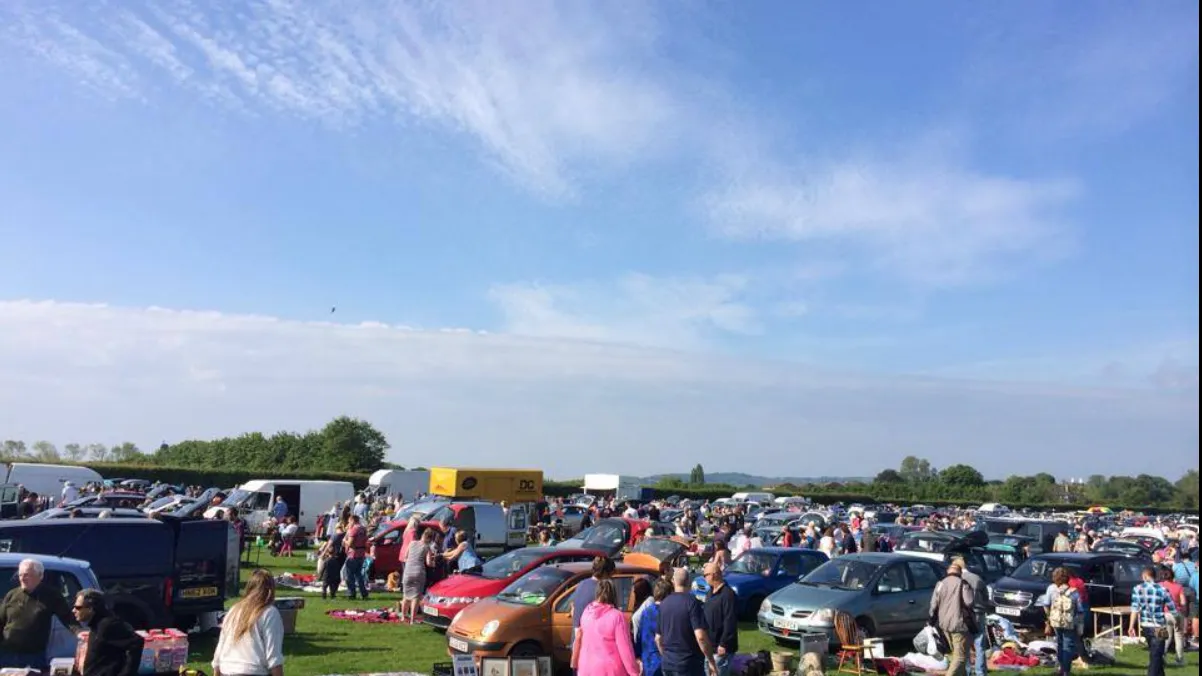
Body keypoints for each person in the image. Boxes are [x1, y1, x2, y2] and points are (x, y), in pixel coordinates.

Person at [0, 558, 82, 670]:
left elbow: (67, 617)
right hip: (7, 654)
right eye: (20, 575)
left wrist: (79, 632)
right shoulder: (12, 594)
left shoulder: (51, 595)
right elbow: (1, 621)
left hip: (33, 656)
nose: (23, 578)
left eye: (27, 575)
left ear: (40, 576)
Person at [211, 569, 284, 676]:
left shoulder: (234, 610)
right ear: (270, 591)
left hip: (226, 670)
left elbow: (218, 654)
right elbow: (274, 657)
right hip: (253, 671)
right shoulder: (270, 613)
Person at [656, 567, 717, 676]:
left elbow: (658, 638)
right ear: (689, 582)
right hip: (689, 664)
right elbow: (701, 637)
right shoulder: (692, 603)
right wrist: (711, 661)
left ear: (673, 581)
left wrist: (665, 656)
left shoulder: (663, 604)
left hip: (668, 664)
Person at [574, 579, 640, 676]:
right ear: (614, 595)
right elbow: (625, 649)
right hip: (610, 670)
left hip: (585, 668)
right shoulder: (617, 617)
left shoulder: (586, 613)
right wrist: (634, 672)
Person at [73, 589, 143, 676]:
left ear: (90, 608)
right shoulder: (96, 625)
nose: (74, 610)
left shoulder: (107, 625)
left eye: (78, 607)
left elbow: (136, 642)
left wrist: (126, 673)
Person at [1129, 565, 1176, 676]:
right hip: (1159, 625)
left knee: (1155, 654)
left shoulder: (1137, 589)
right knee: (1156, 656)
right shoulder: (1163, 589)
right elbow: (1173, 608)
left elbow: (1135, 609)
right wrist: (1178, 621)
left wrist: (1131, 626)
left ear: (1145, 576)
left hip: (1145, 626)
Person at [929, 564, 975, 676]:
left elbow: (933, 605)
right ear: (960, 573)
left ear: (948, 572)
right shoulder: (963, 584)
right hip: (959, 624)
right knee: (960, 657)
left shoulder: (940, 584)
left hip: (944, 624)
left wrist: (931, 621)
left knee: (956, 653)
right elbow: (969, 602)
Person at [950, 557, 988, 676]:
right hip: (978, 613)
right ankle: (980, 672)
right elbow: (986, 596)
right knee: (980, 645)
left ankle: (966, 671)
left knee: (964, 645)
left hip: (964, 615)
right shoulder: (977, 578)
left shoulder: (957, 579)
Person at [573, 557, 617, 655]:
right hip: (592, 647)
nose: (612, 578)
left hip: (577, 644)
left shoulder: (581, 584)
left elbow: (573, 608)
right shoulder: (603, 590)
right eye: (612, 574)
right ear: (605, 572)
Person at [701, 563, 738, 676]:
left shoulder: (728, 595)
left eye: (705, 575)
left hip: (721, 648)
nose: (704, 578)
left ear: (714, 575)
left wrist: (723, 644)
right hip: (710, 646)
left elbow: (730, 621)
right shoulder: (710, 593)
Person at [1045, 567, 1082, 676]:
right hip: (1069, 622)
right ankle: (1066, 672)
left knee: (1060, 645)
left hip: (1055, 621)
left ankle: (1061, 669)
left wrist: (1049, 618)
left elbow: (1046, 605)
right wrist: (1080, 625)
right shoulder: (1074, 592)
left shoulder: (1051, 589)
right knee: (1068, 646)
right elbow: (1079, 609)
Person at [634, 578, 672, 676]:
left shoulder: (645, 612)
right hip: (663, 660)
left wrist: (638, 656)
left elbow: (639, 636)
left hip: (648, 660)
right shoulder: (668, 612)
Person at [401, 528, 437, 624]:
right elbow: (429, 563)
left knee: (406, 596)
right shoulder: (427, 547)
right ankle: (413, 619)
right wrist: (434, 563)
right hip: (419, 572)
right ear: (430, 539)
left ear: (422, 535)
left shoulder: (412, 543)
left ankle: (403, 616)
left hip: (408, 571)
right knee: (416, 597)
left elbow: (405, 557)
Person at [343, 514, 370, 601]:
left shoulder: (354, 529)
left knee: (349, 575)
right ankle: (364, 593)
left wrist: (345, 541)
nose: (348, 523)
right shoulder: (363, 529)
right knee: (359, 575)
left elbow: (350, 543)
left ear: (353, 520)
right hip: (361, 554)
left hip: (353, 554)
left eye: (349, 521)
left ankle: (352, 593)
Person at [320, 524, 347, 600]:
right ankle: (333, 592)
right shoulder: (345, 534)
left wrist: (323, 553)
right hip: (342, 556)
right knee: (336, 576)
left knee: (326, 582)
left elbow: (329, 545)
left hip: (335, 557)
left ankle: (324, 593)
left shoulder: (335, 536)